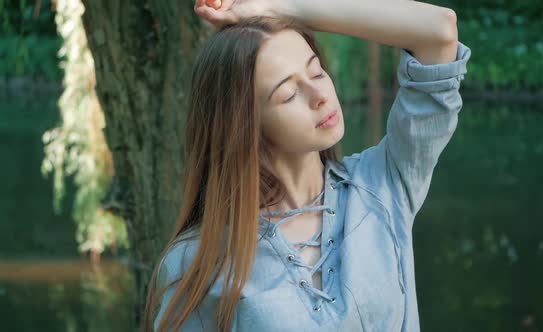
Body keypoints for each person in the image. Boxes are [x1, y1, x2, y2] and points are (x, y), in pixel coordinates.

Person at [144, 0, 471, 331]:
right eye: (288, 94)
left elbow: (438, 31)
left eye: (316, 71)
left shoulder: (383, 185)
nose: (320, 94)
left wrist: (280, 7)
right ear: (245, 126)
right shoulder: (199, 262)